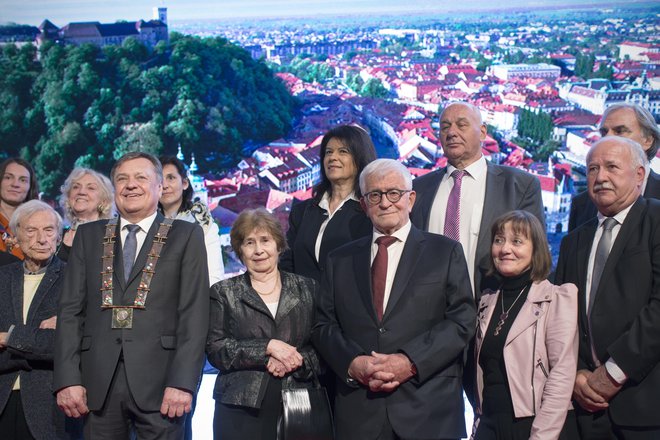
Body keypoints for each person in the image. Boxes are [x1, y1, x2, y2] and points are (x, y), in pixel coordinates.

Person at [313, 159, 476, 440]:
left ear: (410, 199)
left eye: (394, 193)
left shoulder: (445, 252)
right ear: (364, 205)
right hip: (359, 412)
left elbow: (462, 321)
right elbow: (323, 325)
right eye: (374, 195)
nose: (385, 202)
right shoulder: (339, 259)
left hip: (428, 410)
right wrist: (352, 363)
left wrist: (410, 362)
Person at [54, 152, 209, 439]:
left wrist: (183, 383)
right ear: (114, 189)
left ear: (160, 187)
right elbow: (69, 312)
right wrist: (67, 380)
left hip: (163, 385)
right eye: (122, 178)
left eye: (141, 177)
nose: (131, 185)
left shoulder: (186, 235)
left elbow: (194, 314)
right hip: (96, 385)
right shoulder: (88, 237)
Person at [555, 136, 660, 438]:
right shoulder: (573, 241)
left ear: (639, 175)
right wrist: (573, 374)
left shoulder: (655, 219)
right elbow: (561, 318)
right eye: (592, 169)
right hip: (582, 408)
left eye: (612, 167)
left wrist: (614, 373)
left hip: (645, 408)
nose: (600, 177)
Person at [206, 208, 321, 440]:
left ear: (278, 245)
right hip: (240, 406)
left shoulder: (308, 288)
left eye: (265, 240)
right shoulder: (223, 293)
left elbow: (323, 346)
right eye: (249, 243)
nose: (258, 250)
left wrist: (291, 361)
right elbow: (216, 349)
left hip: (299, 401)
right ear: (240, 250)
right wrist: (267, 349)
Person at [410, 102, 545, 298]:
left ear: (482, 132)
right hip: (429, 314)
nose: (452, 132)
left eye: (461, 125)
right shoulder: (419, 189)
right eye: (445, 127)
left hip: (494, 310)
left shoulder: (520, 186)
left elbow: (535, 256)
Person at [473, 210, 578, 440]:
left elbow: (561, 376)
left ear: (536, 249)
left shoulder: (557, 298)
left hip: (535, 426)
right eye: (499, 240)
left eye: (517, 241)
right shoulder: (488, 300)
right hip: (489, 425)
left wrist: (542, 436)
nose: (505, 249)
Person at [0, 200, 71, 439]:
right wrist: (36, 345)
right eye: (31, 230)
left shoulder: (73, 279)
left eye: (49, 230)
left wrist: (8, 338)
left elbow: (64, 345)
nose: (41, 239)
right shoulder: (2, 277)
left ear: (59, 237)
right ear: (16, 238)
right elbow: (47, 343)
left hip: (49, 402)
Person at [280, 124, 376, 282]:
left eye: (343, 151)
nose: (332, 157)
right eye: (328, 152)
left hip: (347, 305)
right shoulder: (302, 211)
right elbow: (287, 263)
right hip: (303, 304)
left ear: (360, 158)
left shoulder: (371, 212)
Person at [568, 103, 660, 232]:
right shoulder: (582, 204)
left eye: (620, 131)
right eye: (604, 133)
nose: (608, 139)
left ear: (648, 141)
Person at [159, 155, 225, 285]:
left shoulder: (203, 224)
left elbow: (214, 278)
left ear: (184, 183)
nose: (165, 185)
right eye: (159, 180)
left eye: (171, 178)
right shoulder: (146, 224)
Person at [57, 167, 115, 262]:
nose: (81, 192)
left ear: (104, 200)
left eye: (91, 188)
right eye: (76, 187)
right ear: (68, 197)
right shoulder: (56, 236)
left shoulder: (112, 238)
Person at [0, 158, 39, 260]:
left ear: (30, 187)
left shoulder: (39, 225)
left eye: (23, 180)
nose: (15, 184)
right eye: (8, 177)